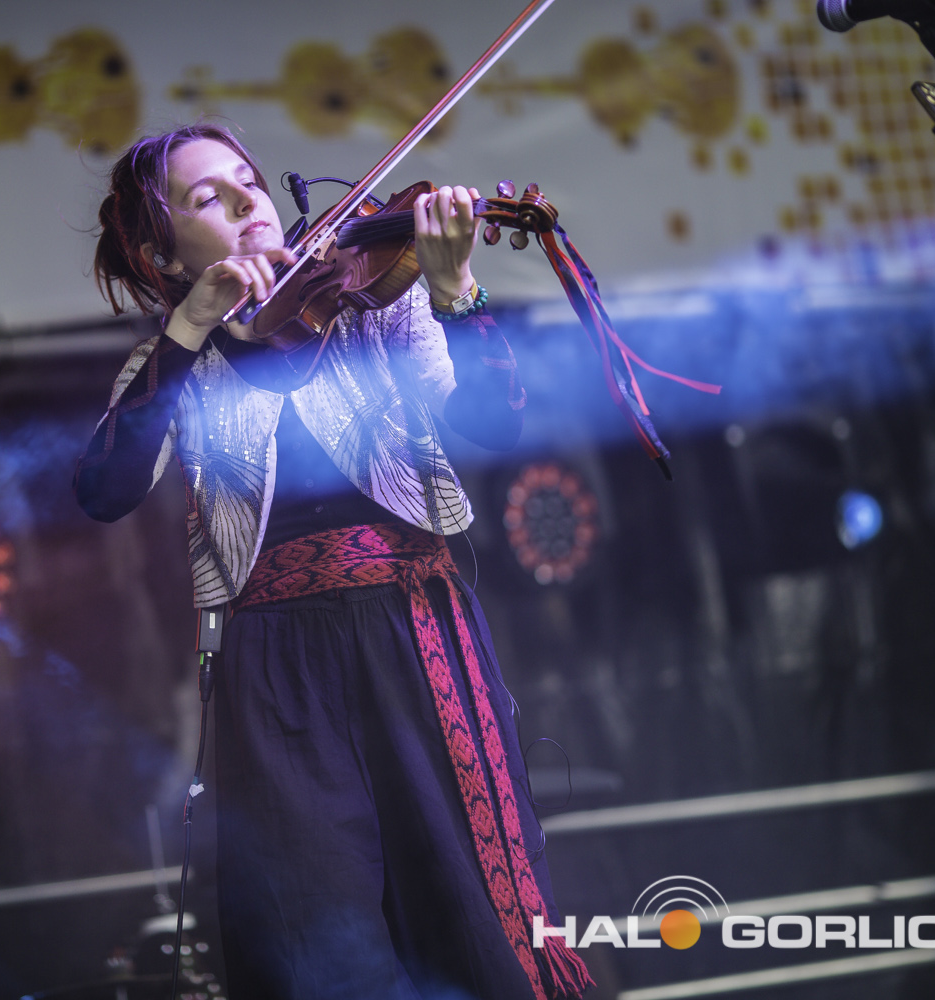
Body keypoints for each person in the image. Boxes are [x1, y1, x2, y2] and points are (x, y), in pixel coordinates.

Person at [74, 123, 590, 1000]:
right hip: (273, 663)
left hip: (412, 624)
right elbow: (103, 488)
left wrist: (455, 287)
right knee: (308, 929)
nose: (246, 203)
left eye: (248, 182)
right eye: (207, 198)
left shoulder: (373, 299)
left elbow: (497, 424)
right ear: (164, 253)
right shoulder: (174, 362)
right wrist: (192, 324)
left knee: (472, 905)